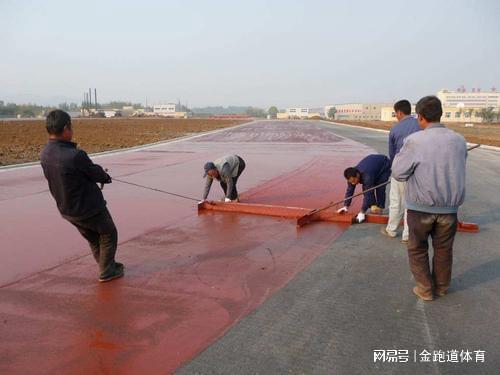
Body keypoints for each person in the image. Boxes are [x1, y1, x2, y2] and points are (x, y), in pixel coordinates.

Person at [392, 96, 467, 301]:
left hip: (420, 208)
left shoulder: (415, 140)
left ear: (421, 117)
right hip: (449, 210)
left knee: (417, 249)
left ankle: (425, 289)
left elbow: (398, 173)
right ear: (440, 114)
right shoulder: (459, 140)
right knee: (444, 250)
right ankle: (441, 287)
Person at [40, 110, 124, 282]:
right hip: (89, 208)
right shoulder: (75, 155)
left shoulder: (45, 154)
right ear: (65, 129)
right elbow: (95, 173)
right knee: (109, 233)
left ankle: (107, 266)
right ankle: (107, 271)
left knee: (94, 238)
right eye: (71, 127)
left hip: (68, 209)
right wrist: (105, 176)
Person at [380, 100, 421, 243]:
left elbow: (392, 154)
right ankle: (408, 236)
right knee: (411, 203)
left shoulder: (395, 129)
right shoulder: (421, 125)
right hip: (418, 171)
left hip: (400, 170)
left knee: (396, 201)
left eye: (395, 114)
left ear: (399, 112)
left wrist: (395, 168)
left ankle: (391, 230)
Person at [337, 154, 391, 223]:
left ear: (357, 175)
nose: (353, 183)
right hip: (372, 165)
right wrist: (346, 206)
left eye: (354, 181)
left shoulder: (367, 177)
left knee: (379, 187)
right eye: (351, 182)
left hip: (384, 164)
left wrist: (362, 211)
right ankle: (373, 205)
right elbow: (350, 190)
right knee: (369, 187)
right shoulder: (351, 176)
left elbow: (368, 192)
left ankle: (380, 208)